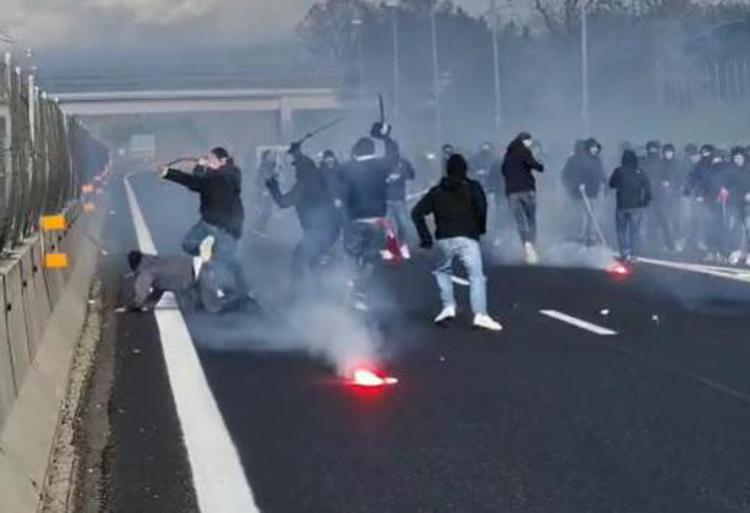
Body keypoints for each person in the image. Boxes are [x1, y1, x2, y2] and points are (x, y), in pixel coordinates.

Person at [411, 154, 502, 331]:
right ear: (465, 169)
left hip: (444, 238)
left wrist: (426, 238)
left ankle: (448, 306)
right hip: (468, 237)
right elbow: (482, 208)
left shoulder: (437, 191)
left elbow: (417, 213)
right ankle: (480, 315)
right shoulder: (473, 187)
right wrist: (480, 229)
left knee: (443, 271)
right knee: (476, 276)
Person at [159, 147, 247, 293]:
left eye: (211, 159)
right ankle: (240, 291)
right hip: (221, 225)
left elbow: (195, 182)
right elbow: (198, 182)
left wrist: (198, 167)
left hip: (220, 225)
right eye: (208, 159)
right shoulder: (225, 175)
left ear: (223, 161)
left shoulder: (222, 175)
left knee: (216, 259)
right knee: (222, 260)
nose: (208, 161)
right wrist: (170, 172)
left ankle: (228, 292)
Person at [338, 122, 400, 309]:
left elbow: (338, 184)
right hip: (377, 220)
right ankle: (360, 292)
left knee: (351, 256)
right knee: (371, 259)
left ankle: (349, 287)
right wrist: (385, 136)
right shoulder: (381, 166)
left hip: (355, 220)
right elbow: (394, 156)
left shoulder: (348, 168)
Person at [266, 142, 341, 294]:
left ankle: (301, 294)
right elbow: (306, 162)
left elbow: (283, 202)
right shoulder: (321, 176)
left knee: (299, 260)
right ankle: (320, 289)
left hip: (317, 232)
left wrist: (272, 186)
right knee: (312, 260)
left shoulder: (304, 184)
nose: (295, 171)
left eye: (296, 168)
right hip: (332, 229)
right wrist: (297, 152)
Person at [501, 132, 545, 264]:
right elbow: (535, 165)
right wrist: (540, 165)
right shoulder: (524, 152)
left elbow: (503, 172)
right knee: (531, 219)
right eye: (528, 140)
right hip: (527, 190)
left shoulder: (508, 155)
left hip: (512, 192)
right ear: (524, 141)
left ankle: (526, 244)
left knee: (520, 222)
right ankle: (533, 245)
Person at [561, 138, 606, 247]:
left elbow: (601, 173)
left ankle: (591, 236)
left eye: (596, 147)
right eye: (593, 147)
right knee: (584, 216)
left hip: (595, 192)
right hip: (581, 193)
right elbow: (571, 175)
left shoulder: (597, 160)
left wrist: (604, 183)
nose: (595, 149)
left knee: (594, 215)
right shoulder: (577, 160)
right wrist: (577, 185)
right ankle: (582, 237)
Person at [609, 149, 652, 263]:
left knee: (621, 231)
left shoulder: (618, 171)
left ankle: (624, 253)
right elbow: (648, 188)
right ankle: (634, 255)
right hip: (636, 206)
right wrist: (646, 201)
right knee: (634, 232)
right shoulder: (640, 172)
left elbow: (611, 184)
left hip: (621, 206)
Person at [386, 156, 416, 258]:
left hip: (398, 200)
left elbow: (411, 175)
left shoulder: (403, 163)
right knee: (387, 226)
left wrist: (405, 168)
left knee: (403, 225)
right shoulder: (383, 163)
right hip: (386, 200)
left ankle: (401, 246)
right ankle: (390, 248)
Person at [252, 150, 277, 234]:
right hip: (265, 194)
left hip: (269, 194)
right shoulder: (264, 168)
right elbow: (259, 180)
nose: (272, 158)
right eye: (270, 156)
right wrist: (262, 190)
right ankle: (259, 228)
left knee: (266, 213)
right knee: (264, 212)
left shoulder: (270, 167)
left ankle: (261, 229)